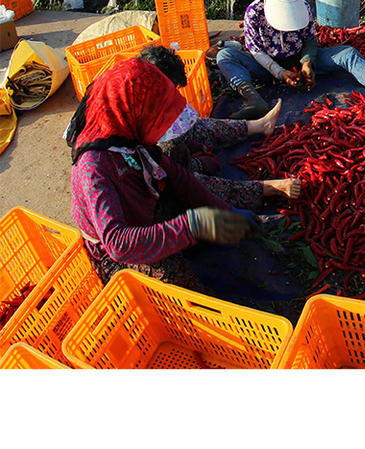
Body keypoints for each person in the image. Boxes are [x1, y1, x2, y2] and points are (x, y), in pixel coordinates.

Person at [70, 57, 257, 289]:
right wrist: (192, 225)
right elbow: (118, 244)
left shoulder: (127, 135)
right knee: (182, 286)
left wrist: (224, 211)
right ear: (131, 111)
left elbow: (179, 178)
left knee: (184, 177)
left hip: (146, 209)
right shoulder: (94, 166)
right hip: (120, 253)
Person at [216, 0, 365, 118]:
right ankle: (254, 100)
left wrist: (307, 63)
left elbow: (310, 39)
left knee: (347, 53)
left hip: (298, 60)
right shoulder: (254, 13)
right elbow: (255, 50)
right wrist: (279, 72)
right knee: (224, 55)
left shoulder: (303, 7)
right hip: (266, 66)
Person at [137, 44, 300, 209]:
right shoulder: (147, 133)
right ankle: (265, 189)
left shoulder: (146, 95)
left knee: (201, 146)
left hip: (167, 164)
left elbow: (189, 125)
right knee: (194, 183)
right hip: (152, 188)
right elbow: (177, 180)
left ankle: (259, 126)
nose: (174, 94)